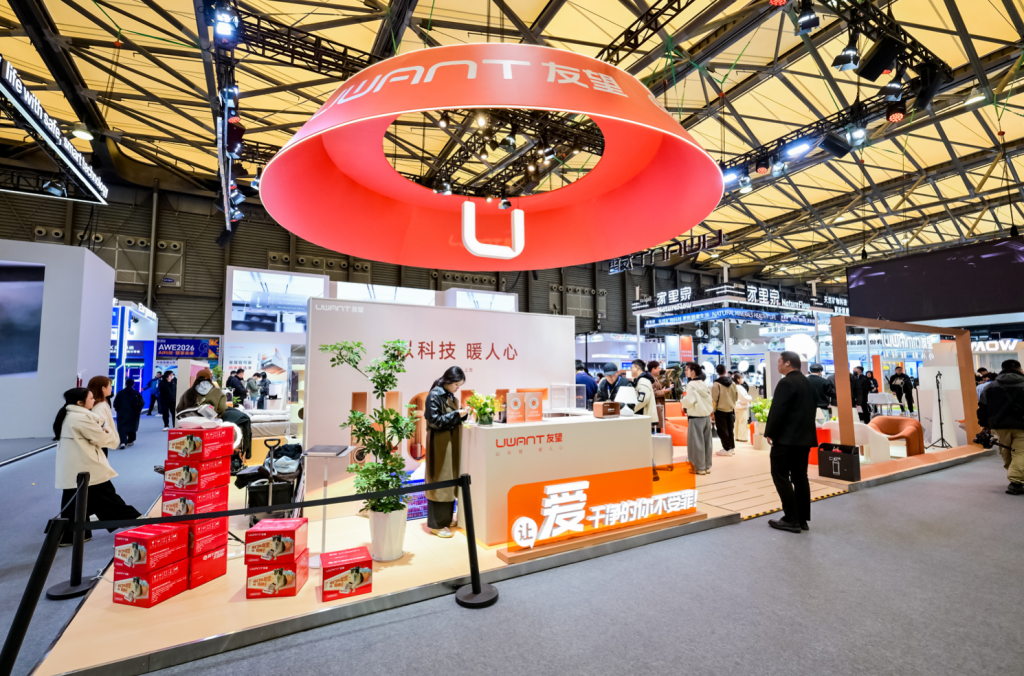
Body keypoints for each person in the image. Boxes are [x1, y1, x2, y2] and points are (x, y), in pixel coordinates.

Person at [53, 387, 141, 546]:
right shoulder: (80, 418)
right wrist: (108, 430)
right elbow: (102, 439)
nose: (94, 401)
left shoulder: (70, 415)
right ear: (80, 402)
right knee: (105, 495)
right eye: (91, 398)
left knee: (75, 501)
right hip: (86, 465)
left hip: (76, 465)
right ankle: (132, 518)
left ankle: (74, 534)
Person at [764, 351, 818, 533]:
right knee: (800, 477)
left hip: (786, 439)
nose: (777, 364)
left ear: (787, 363)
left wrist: (770, 432)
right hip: (805, 438)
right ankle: (802, 519)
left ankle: (791, 519)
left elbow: (778, 410)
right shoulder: (808, 383)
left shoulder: (786, 382)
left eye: (779, 361)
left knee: (780, 474)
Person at [424, 366, 470, 537]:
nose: (458, 388)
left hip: (449, 443)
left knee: (450, 480)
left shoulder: (448, 395)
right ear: (448, 381)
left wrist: (463, 414)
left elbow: (451, 417)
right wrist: (457, 414)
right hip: (439, 444)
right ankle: (437, 524)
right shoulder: (434, 395)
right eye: (456, 384)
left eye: (460, 385)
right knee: (440, 480)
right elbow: (435, 421)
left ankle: (446, 519)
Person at [978, 359, 1024, 495]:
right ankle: (1016, 481)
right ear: (1019, 369)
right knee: (1020, 452)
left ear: (1002, 369)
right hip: (1022, 426)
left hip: (999, 426)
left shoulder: (990, 387)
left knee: (1006, 452)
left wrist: (984, 425)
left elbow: (982, 408)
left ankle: (1016, 477)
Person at [681, 362, 713, 475]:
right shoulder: (704, 384)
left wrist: (683, 403)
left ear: (693, 371)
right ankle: (707, 466)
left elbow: (688, 401)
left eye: (687, 369)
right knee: (707, 442)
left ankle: (698, 467)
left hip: (695, 417)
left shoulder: (691, 385)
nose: (685, 371)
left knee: (696, 443)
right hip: (706, 416)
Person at [87, 376, 117, 456]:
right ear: (103, 388)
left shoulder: (96, 403)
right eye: (110, 385)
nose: (111, 388)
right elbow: (97, 426)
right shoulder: (100, 406)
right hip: (99, 444)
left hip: (97, 443)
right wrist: (108, 433)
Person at [712, 364, 738, 457]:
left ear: (717, 372)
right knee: (730, 428)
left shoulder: (716, 383)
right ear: (725, 371)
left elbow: (714, 399)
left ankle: (726, 448)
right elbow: (736, 396)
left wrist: (713, 410)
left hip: (720, 409)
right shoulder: (732, 382)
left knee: (722, 430)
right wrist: (732, 404)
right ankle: (731, 447)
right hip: (730, 409)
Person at [112, 378, 144, 448]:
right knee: (132, 427)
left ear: (125, 384)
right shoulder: (136, 393)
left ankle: (123, 442)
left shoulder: (120, 393)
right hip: (134, 413)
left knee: (122, 427)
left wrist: (118, 409)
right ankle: (130, 440)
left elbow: (115, 404)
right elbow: (141, 402)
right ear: (133, 384)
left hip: (122, 413)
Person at [630, 359, 656, 426]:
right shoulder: (640, 380)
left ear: (637, 368)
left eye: (631, 368)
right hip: (642, 416)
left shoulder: (643, 381)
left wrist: (631, 410)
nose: (630, 370)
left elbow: (643, 400)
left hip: (643, 417)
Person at [733, 372, 753, 443]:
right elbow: (745, 398)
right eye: (742, 378)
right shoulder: (740, 387)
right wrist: (750, 397)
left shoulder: (734, 386)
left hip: (737, 406)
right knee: (742, 421)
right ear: (738, 379)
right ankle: (742, 437)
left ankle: (737, 436)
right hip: (742, 406)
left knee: (737, 421)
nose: (743, 379)